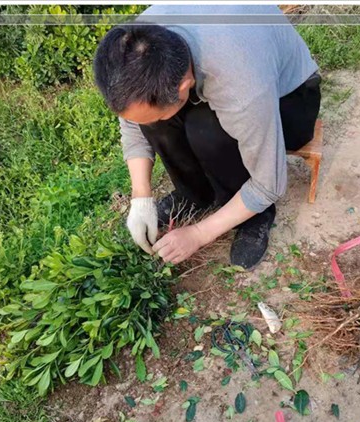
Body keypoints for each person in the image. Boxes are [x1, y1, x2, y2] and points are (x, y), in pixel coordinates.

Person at [93, 4, 321, 269]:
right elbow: (134, 120)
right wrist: (141, 197)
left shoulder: (243, 87)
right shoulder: (138, 46)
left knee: (204, 129)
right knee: (157, 120)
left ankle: (256, 217)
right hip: (231, 73)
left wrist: (199, 234)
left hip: (292, 97)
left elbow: (270, 181)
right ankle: (194, 193)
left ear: (184, 87)